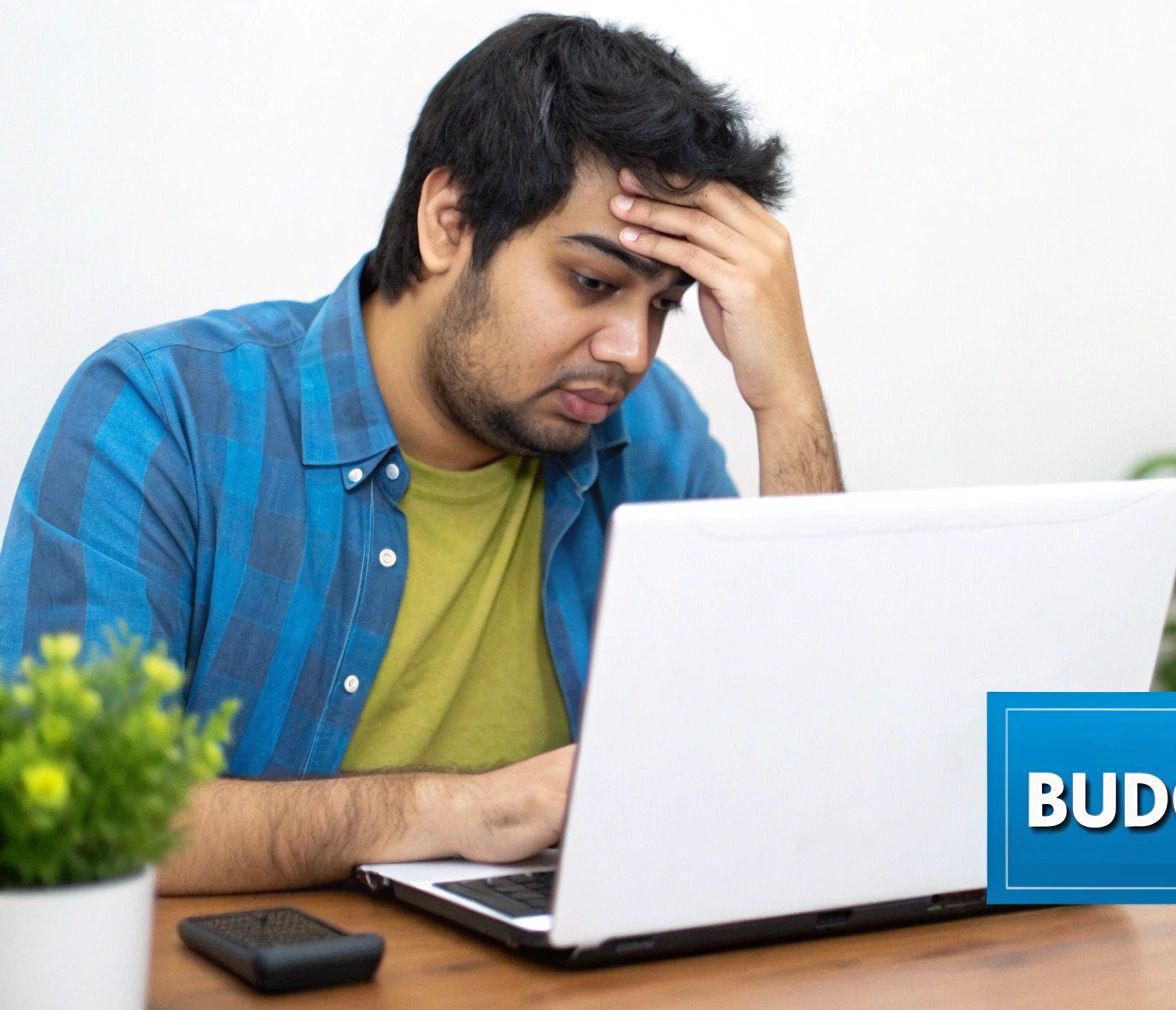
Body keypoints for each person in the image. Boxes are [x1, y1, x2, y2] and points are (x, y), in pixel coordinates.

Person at [0, 14, 841, 894]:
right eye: (592, 283)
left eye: (664, 304)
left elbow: (802, 759)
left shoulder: (651, 436)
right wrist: (460, 811)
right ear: (449, 223)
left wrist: (787, 404)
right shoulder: (164, 415)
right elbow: (52, 816)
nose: (632, 349)